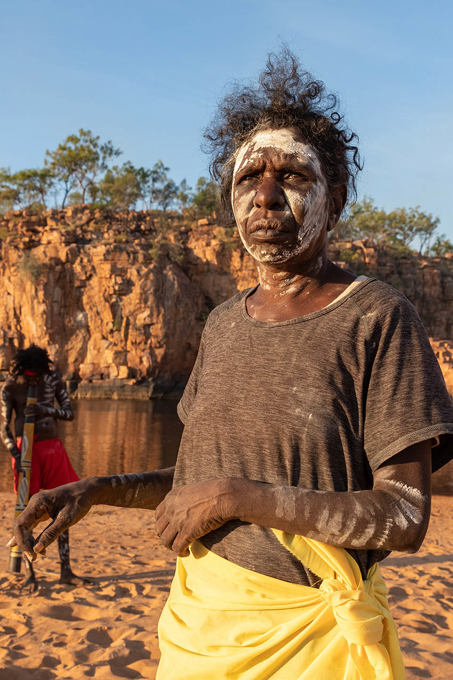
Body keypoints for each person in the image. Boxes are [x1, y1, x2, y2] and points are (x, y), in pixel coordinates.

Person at [12, 51, 453, 678]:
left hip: (314, 639)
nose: (267, 195)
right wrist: (98, 491)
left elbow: (405, 514)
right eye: (250, 178)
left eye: (293, 176)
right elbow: (202, 484)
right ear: (230, 198)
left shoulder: (377, 317)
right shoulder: (222, 324)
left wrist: (238, 496)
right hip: (200, 629)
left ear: (338, 195)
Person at [1, 344, 87, 588]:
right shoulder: (10, 385)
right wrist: (15, 454)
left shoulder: (52, 380)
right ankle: (30, 573)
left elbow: (69, 413)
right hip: (25, 452)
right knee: (29, 510)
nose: (34, 379)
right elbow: (4, 426)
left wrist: (43, 409)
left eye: (37, 375)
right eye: (31, 375)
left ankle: (66, 570)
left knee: (63, 507)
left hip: (53, 448)